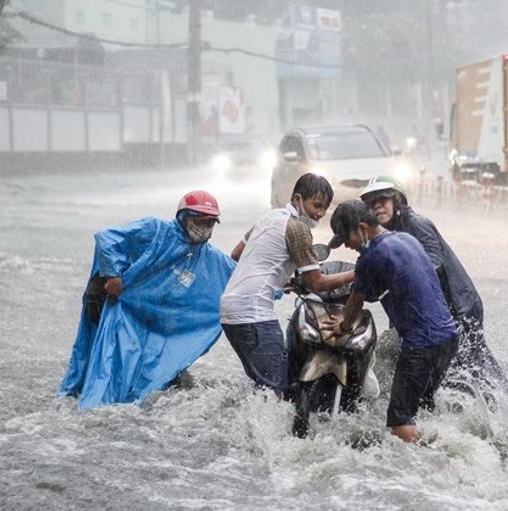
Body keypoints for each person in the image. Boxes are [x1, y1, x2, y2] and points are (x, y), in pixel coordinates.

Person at [60, 191, 236, 409]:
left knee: (133, 359)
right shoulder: (155, 230)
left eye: (210, 222)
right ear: (184, 217)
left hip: (138, 310)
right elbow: (106, 238)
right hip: (107, 296)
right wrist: (113, 275)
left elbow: (237, 277)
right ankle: (94, 402)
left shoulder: (206, 255)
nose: (205, 227)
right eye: (200, 221)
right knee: (108, 356)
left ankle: (124, 397)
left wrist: (276, 286)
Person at [359, 175, 508, 395]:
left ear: (397, 201)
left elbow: (434, 261)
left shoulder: (415, 224)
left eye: (383, 199)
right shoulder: (382, 236)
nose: (378, 206)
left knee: (467, 368)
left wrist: (396, 273)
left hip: (458, 307)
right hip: (430, 314)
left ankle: (502, 404)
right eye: (372, 203)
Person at [326, 200, 459, 444]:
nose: (347, 245)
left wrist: (343, 327)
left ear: (362, 228)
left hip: (421, 344)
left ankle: (435, 462)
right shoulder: (407, 239)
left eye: (347, 238)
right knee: (423, 405)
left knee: (399, 420)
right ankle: (446, 445)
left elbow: (355, 304)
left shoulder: (370, 256)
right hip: (449, 337)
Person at [220, 173, 354, 397]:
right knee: (276, 390)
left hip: (230, 309)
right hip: (254, 313)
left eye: (325, 208)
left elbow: (236, 254)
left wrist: (282, 279)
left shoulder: (269, 218)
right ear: (297, 199)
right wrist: (356, 274)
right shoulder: (298, 229)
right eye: (316, 205)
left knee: (263, 386)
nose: (320, 213)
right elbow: (317, 283)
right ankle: (271, 432)